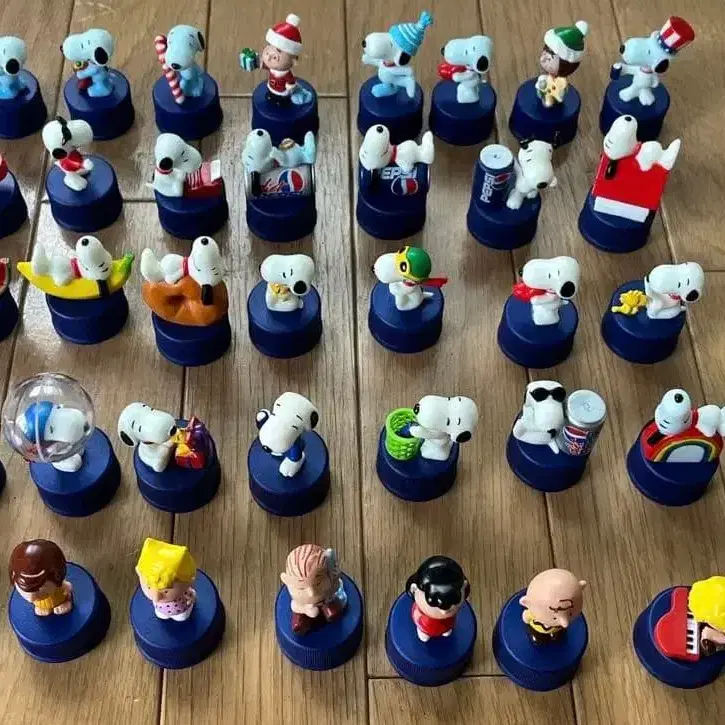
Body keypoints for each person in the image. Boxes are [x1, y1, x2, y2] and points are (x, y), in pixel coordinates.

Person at [9, 539, 73, 616]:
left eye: (39, 590)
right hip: (42, 605)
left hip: (60, 599)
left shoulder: (56, 581)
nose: (31, 599)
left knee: (64, 598)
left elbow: (67, 587)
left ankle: (65, 602)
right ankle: (44, 608)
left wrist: (66, 588)